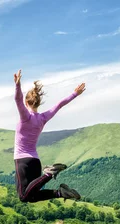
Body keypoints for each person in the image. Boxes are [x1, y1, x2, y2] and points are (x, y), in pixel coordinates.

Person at [13, 69, 85, 203]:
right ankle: (60, 192)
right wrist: (75, 93)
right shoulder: (43, 118)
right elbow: (59, 105)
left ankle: (49, 173)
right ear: (38, 103)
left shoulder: (25, 117)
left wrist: (17, 85)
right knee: (32, 196)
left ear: (26, 102)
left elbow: (17, 100)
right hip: (35, 161)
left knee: (23, 197)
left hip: (22, 161)